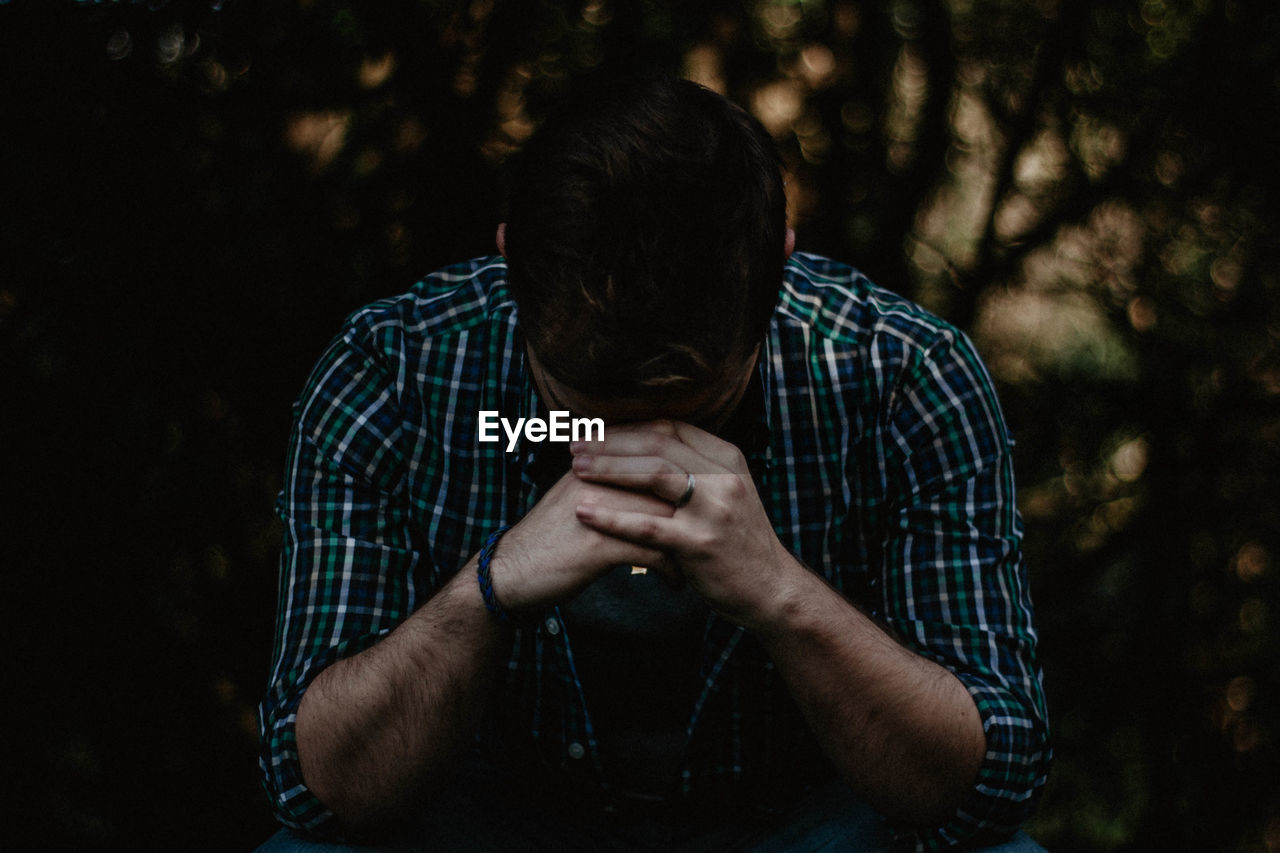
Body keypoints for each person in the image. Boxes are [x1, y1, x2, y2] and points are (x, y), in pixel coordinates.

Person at [257, 76, 1050, 852]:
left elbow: (992, 785)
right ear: (512, 262)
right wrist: (492, 588)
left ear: (777, 272)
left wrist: (781, 593)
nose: (637, 457)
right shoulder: (395, 373)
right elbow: (315, 789)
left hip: (795, 822)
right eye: (585, 408)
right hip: (498, 820)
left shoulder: (902, 375)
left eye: (694, 407)